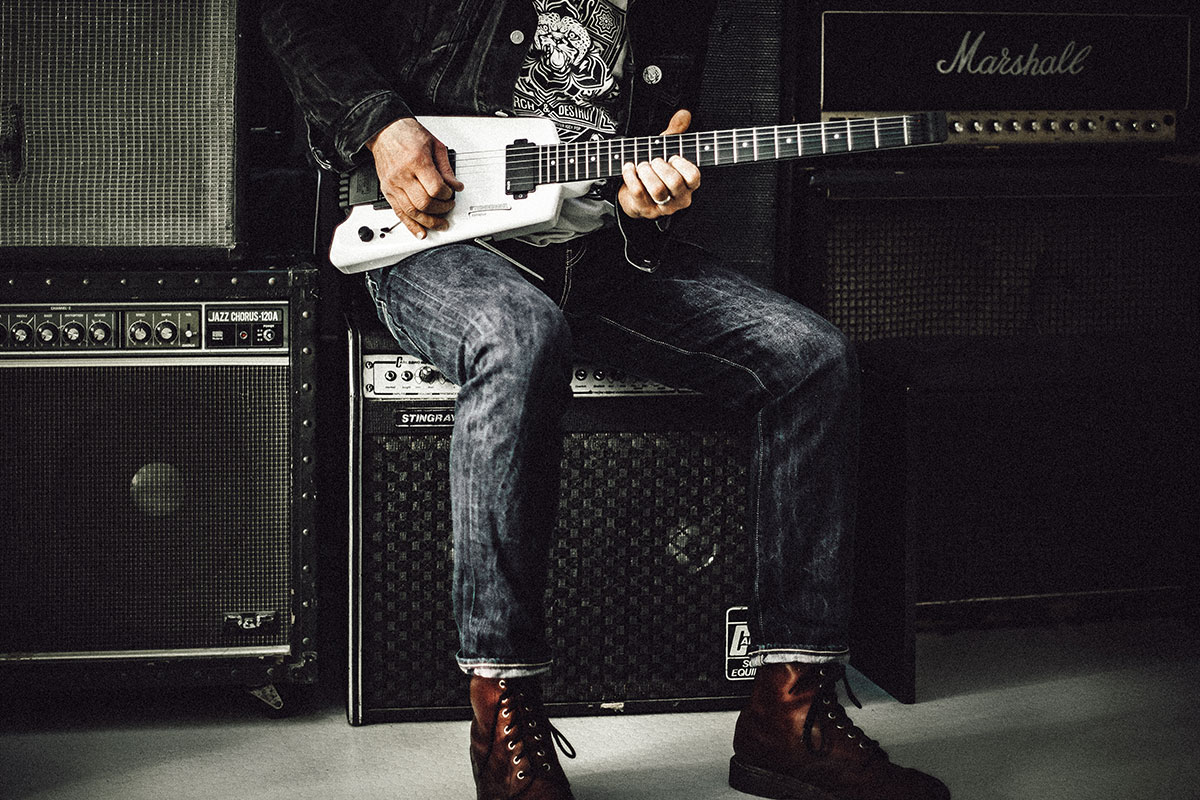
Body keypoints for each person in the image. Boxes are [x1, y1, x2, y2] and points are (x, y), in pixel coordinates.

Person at [261, 2, 951, 798]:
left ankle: (787, 717)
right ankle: (503, 714)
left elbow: (649, 164)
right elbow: (293, 15)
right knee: (519, 335)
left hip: (595, 254)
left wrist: (647, 206)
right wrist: (383, 127)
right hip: (431, 242)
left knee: (812, 359)